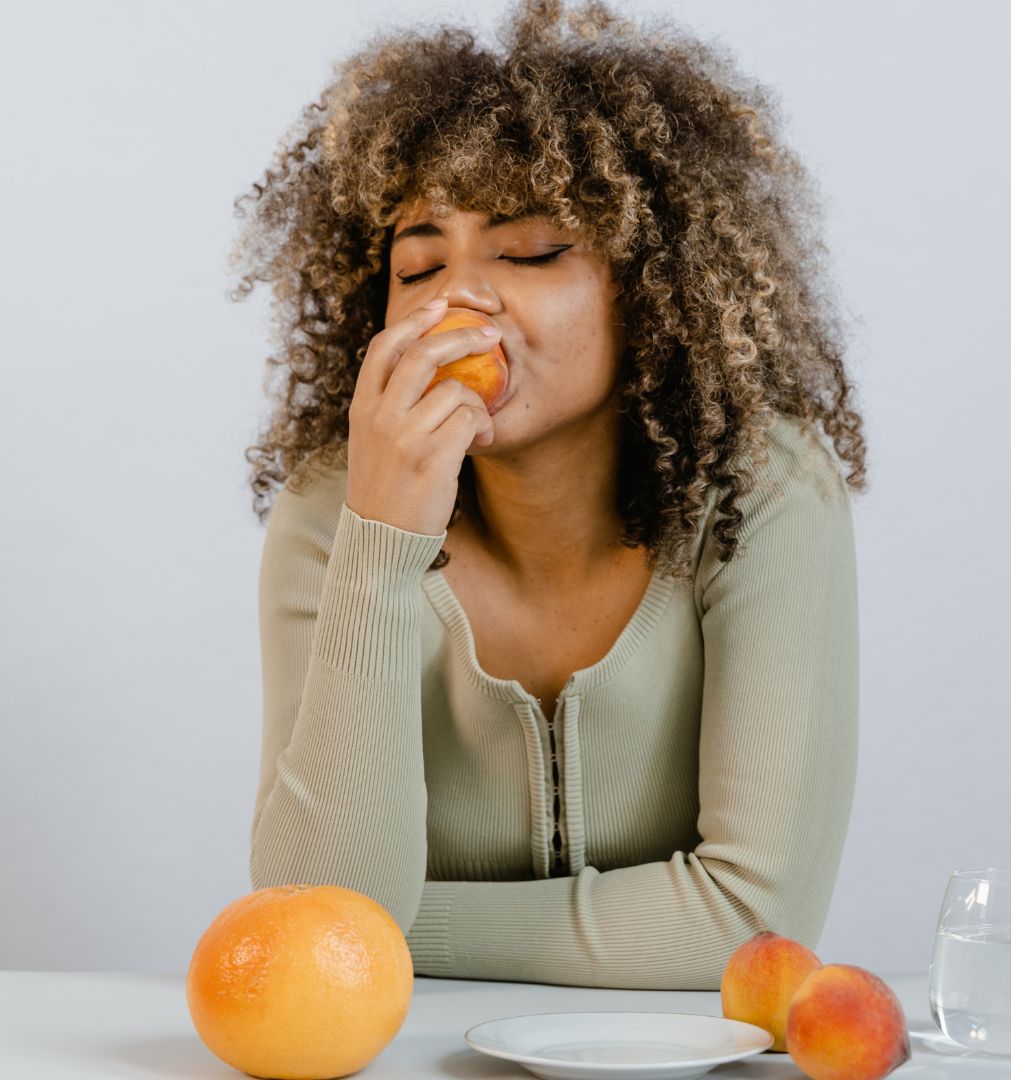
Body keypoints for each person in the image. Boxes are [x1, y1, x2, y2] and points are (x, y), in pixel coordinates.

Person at [230, 0, 868, 990]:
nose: (456, 299)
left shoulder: (763, 489)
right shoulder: (334, 512)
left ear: (653, 286)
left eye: (530, 251)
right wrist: (382, 539)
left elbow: (755, 921)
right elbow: (321, 923)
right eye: (418, 262)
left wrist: (400, 932)